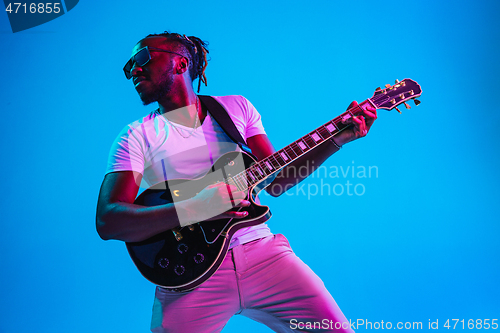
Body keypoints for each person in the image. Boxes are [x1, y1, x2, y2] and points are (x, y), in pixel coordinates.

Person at [96, 31, 377, 333]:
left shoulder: (235, 109)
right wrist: (194, 208)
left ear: (180, 63)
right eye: (129, 67)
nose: (134, 71)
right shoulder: (135, 136)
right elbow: (109, 221)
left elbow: (278, 181)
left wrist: (337, 139)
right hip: (190, 276)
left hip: (263, 256)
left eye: (142, 58)